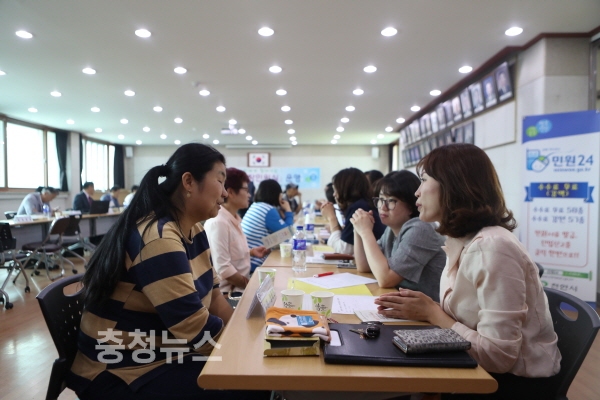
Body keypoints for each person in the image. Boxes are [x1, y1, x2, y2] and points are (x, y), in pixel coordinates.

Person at [67, 144, 269, 400]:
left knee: (254, 376)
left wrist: (246, 334)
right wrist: (249, 349)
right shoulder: (159, 238)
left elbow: (216, 299)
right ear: (188, 182)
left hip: (163, 350)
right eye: (220, 181)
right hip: (120, 368)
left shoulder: (195, 230)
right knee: (249, 384)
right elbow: (195, 327)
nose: (224, 193)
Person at [375, 144, 561, 399]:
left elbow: (499, 356)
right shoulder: (461, 240)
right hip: (473, 368)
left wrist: (432, 313)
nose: (417, 191)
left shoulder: (493, 247)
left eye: (424, 180)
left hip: (509, 385)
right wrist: (426, 309)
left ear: (453, 186)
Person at [351, 171, 445, 301]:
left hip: (428, 309)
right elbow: (364, 266)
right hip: (406, 304)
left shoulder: (421, 229)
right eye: (380, 200)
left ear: (411, 206)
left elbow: (386, 279)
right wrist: (358, 229)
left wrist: (366, 232)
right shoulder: (392, 229)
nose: (383, 207)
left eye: (391, 201)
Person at [204, 168, 270, 295]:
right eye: (246, 190)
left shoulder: (234, 218)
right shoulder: (219, 222)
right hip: (229, 294)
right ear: (230, 192)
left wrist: (251, 252)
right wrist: (250, 285)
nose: (249, 195)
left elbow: (229, 253)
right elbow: (224, 269)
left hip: (240, 288)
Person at [320, 168, 385, 255]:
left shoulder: (358, 208)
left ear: (345, 189)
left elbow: (344, 250)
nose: (334, 194)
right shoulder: (363, 203)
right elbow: (346, 239)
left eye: (335, 189)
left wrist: (331, 217)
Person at [241, 179, 294, 272]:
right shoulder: (268, 210)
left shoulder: (256, 205)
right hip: (255, 261)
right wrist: (288, 210)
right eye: (280, 194)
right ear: (276, 194)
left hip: (246, 258)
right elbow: (287, 233)